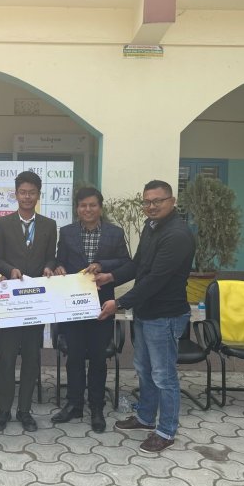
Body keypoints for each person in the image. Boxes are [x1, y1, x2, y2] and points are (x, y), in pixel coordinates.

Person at [98, 180, 195, 454]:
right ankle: (145, 417)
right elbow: (138, 265)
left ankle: (166, 431)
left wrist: (118, 303)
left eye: (157, 201)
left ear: (172, 201)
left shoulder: (177, 235)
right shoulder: (152, 227)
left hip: (165, 315)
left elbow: (155, 279)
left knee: (164, 376)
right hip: (145, 311)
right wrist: (111, 277)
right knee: (144, 369)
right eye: (147, 201)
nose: (151, 206)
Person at [52, 187, 135, 433]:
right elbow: (59, 260)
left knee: (99, 358)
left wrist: (102, 266)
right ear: (77, 208)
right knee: (74, 356)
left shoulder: (114, 233)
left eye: (92, 205)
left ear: (100, 207)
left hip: (102, 306)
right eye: (82, 205)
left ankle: (96, 407)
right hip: (73, 305)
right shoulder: (67, 232)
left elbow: (126, 264)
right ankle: (74, 404)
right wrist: (58, 268)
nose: (87, 209)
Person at [0, 171, 57, 433]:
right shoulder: (2, 224)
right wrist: (10, 270)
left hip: (36, 302)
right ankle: (3, 410)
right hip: (10, 301)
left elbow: (51, 257)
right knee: (6, 358)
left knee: (31, 358)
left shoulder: (49, 225)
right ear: (16, 194)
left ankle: (25, 410)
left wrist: (50, 267)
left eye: (32, 193)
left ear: (38, 195)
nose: (27, 197)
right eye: (23, 192)